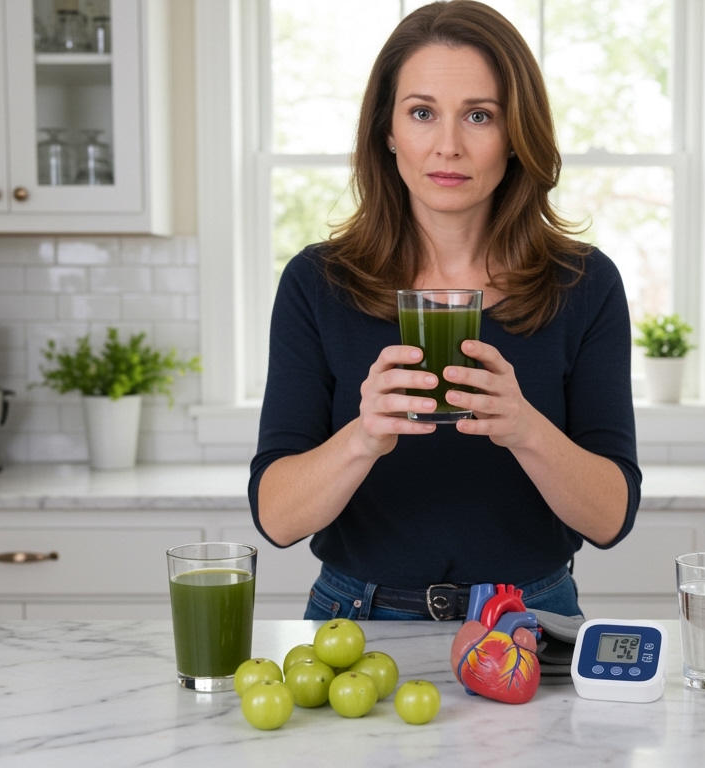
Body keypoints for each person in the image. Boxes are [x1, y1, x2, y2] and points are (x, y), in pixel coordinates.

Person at [248, 0, 640, 621]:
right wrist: (363, 437)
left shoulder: (583, 283)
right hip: (356, 617)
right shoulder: (317, 282)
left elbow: (611, 518)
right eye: (422, 113)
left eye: (479, 116)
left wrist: (525, 428)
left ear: (515, 136)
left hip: (528, 618)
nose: (448, 146)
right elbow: (276, 519)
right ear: (388, 131)